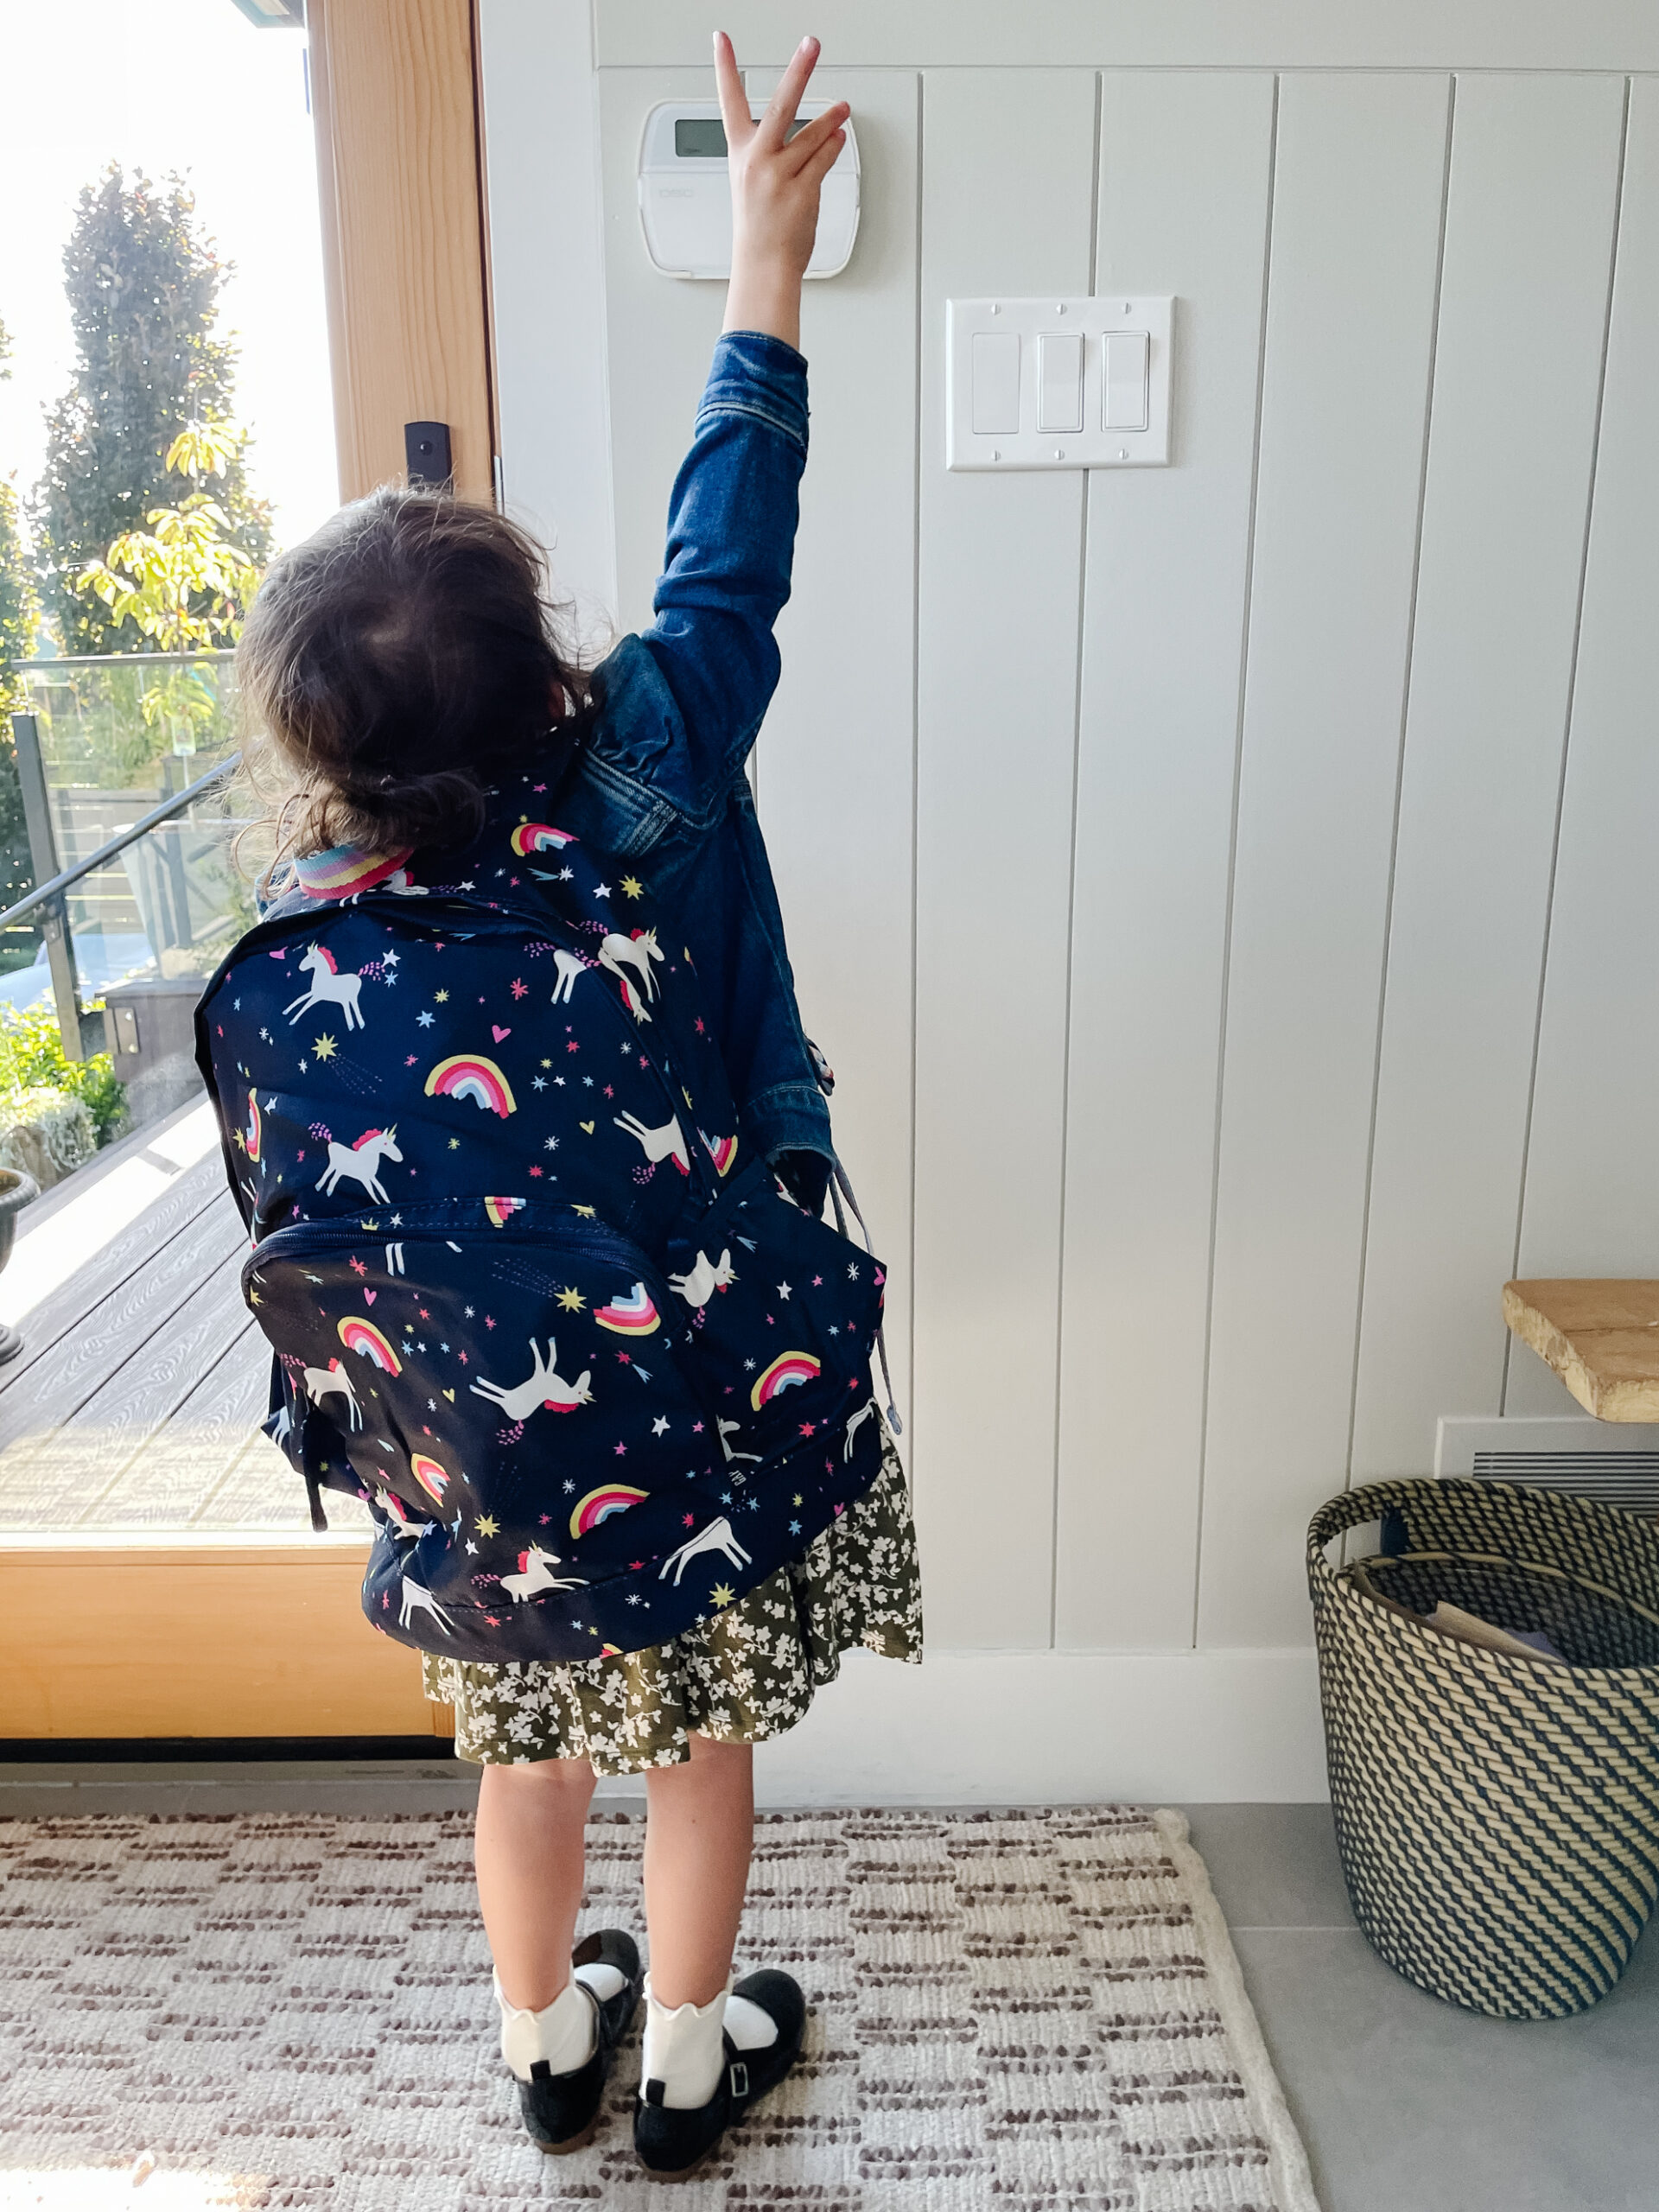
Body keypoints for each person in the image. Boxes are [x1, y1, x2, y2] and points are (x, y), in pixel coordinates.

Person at [195, 29, 922, 2183]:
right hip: (686, 1399)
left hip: (475, 1454)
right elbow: (728, 559)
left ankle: (543, 2048)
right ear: (546, 663)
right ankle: (687, 2067)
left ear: (317, 742)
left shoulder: (301, 931)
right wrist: (763, 258)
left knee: (527, 1757)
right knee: (696, 1743)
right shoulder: (648, 759)